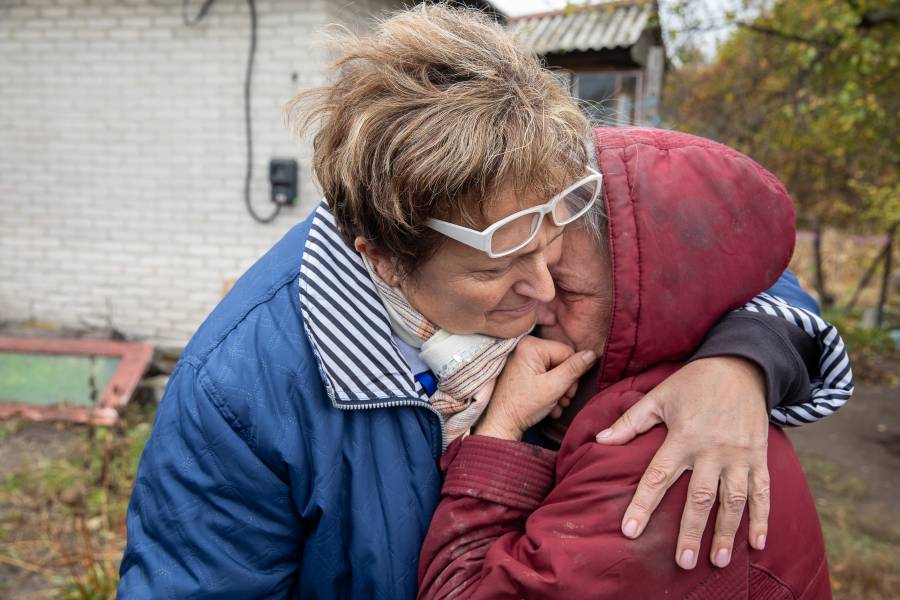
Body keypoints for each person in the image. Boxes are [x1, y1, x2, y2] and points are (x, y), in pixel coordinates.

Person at [117, 7, 848, 598]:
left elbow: (723, 252)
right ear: (383, 257)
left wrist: (742, 360)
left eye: (554, 237)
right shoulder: (241, 391)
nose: (544, 286)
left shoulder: (541, 172)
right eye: (496, 268)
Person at [417, 127, 851, 599]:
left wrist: (500, 429)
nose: (536, 304)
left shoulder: (666, 458)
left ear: (649, 306)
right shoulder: (648, 384)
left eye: (566, 289)